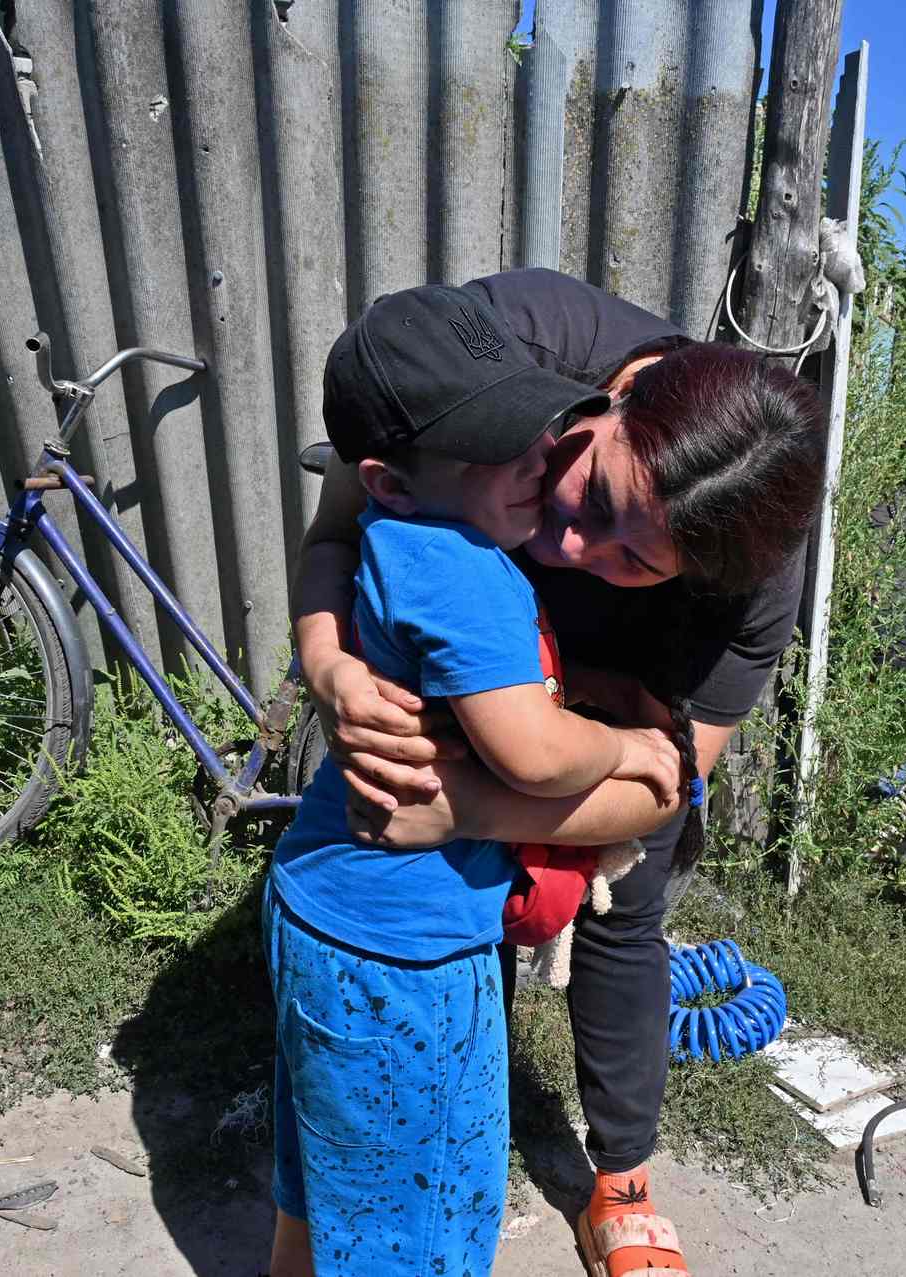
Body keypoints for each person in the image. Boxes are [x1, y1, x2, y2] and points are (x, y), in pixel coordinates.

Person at [293, 268, 825, 1277]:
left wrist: (464, 807)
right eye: (594, 491)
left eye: (635, 557)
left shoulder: (754, 575)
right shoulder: (502, 346)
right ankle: (452, 1109)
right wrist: (329, 668)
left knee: (626, 912)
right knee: (460, 912)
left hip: (619, 709)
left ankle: (620, 1178)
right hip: (464, 680)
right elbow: (337, 530)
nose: (574, 542)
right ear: (607, 400)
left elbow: (664, 780)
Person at [265, 285, 688, 1277]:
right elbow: (535, 754)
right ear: (394, 479)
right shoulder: (467, 570)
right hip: (403, 954)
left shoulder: (403, 531)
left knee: (327, 1175)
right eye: (496, 446)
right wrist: (628, 747)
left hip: (324, 909)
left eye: (535, 425)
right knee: (414, 1218)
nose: (540, 455)